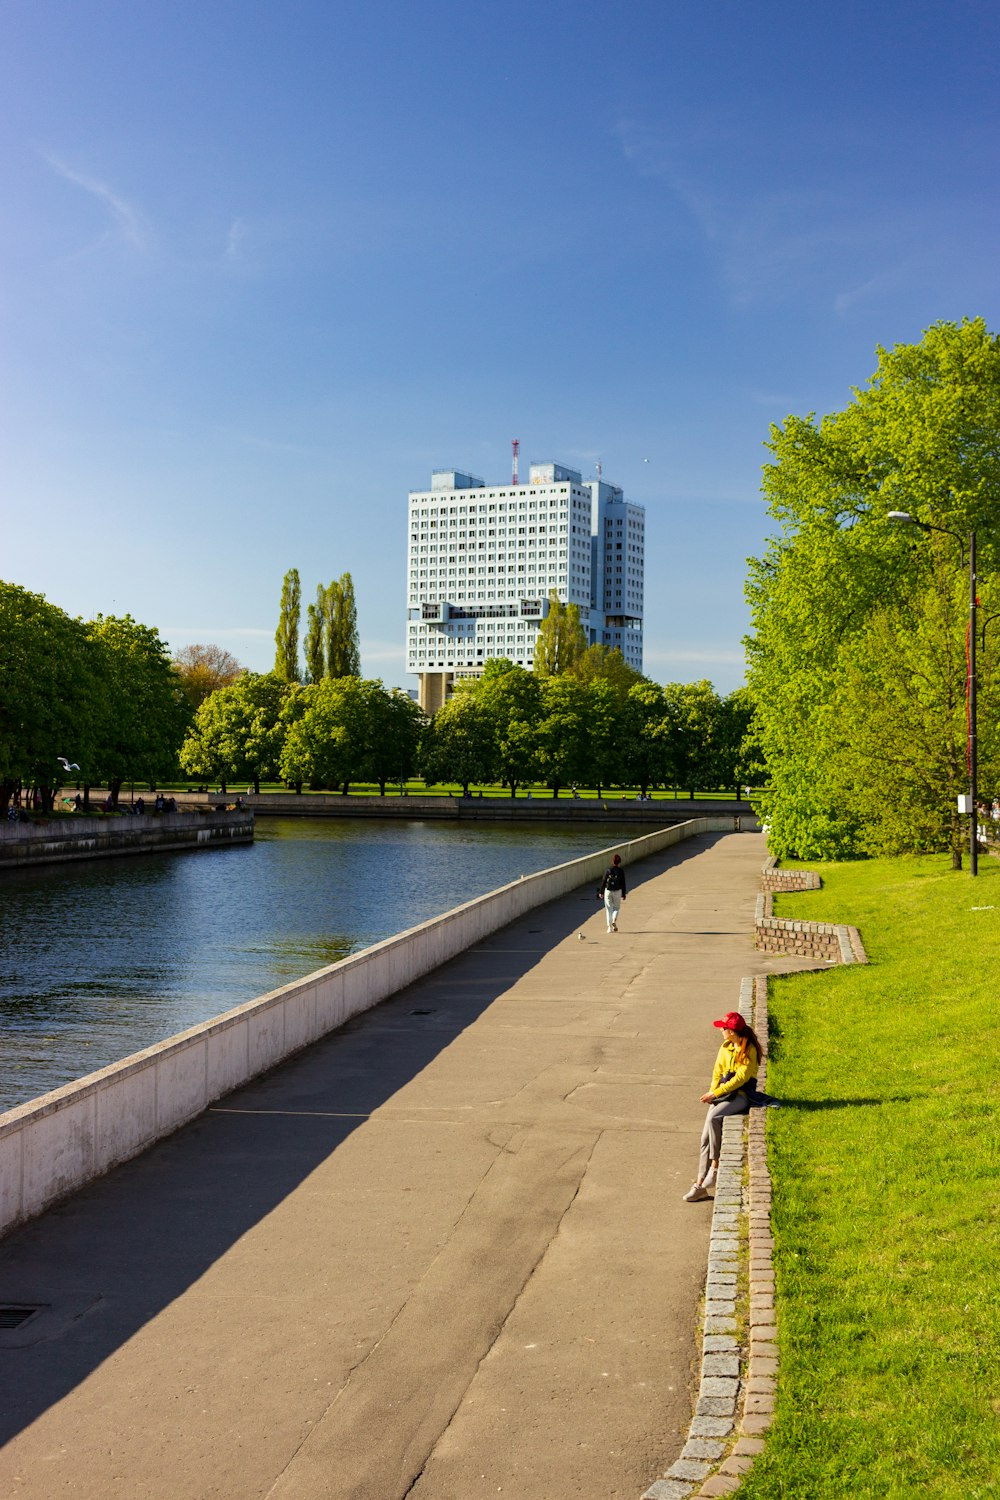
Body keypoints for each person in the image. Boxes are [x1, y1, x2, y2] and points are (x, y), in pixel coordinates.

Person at [683, 1010, 762, 1202]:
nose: (721, 1031)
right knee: (704, 1138)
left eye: (723, 1028)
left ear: (732, 1031)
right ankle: (700, 1183)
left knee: (713, 1118)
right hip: (722, 1095)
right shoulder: (725, 1047)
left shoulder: (749, 1049)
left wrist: (715, 1094)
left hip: (741, 1095)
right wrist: (712, 1093)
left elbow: (741, 1079)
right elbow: (717, 1072)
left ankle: (715, 1167)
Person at [598, 853, 627, 933]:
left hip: (608, 891)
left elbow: (603, 881)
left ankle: (609, 928)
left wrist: (601, 892)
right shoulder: (621, 871)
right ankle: (614, 920)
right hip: (617, 891)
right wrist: (624, 894)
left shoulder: (608, 870)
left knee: (608, 909)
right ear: (619, 862)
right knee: (616, 908)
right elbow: (623, 883)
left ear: (612, 862)